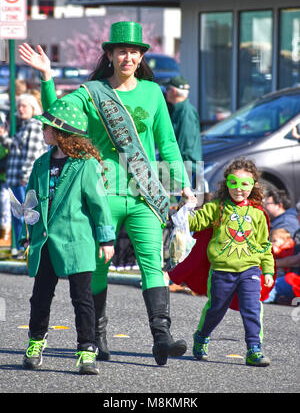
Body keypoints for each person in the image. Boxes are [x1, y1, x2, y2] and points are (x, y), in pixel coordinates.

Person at [19, 21, 196, 366]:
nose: (128, 57)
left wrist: (183, 183)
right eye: (121, 51)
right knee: (98, 265)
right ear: (110, 55)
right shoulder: (92, 92)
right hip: (101, 192)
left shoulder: (153, 93)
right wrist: (46, 77)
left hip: (144, 192)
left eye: (134, 51)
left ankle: (161, 338)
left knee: (152, 264)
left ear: (140, 56)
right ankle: (97, 336)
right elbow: (60, 117)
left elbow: (167, 144)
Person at [20, 99, 115, 375]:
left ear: (61, 131)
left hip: (77, 243)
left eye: (47, 127)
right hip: (46, 242)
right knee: (40, 296)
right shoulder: (41, 164)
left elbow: (100, 205)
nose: (43, 130)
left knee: (82, 298)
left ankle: (87, 349)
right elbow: (32, 201)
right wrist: (28, 227)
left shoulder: (85, 165)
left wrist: (107, 240)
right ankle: (36, 342)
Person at [178, 158, 275, 366]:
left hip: (250, 270)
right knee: (216, 309)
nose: (239, 189)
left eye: (245, 184)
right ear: (226, 183)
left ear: (253, 186)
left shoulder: (258, 214)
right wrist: (187, 207)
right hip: (221, 271)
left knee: (252, 309)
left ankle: (254, 349)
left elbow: (265, 246)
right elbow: (194, 222)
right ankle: (202, 336)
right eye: (234, 183)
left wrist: (267, 271)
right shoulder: (216, 208)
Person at [0, 93, 48, 254]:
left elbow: (32, 154)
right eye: (19, 106)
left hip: (23, 178)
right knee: (18, 212)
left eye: (24, 106)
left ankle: (25, 247)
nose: (20, 109)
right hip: (15, 177)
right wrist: (4, 136)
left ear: (33, 108)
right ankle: (21, 247)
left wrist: (25, 176)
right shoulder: (25, 125)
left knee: (25, 214)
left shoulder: (34, 125)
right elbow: (14, 147)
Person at [165, 75, 202, 181]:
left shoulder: (186, 112)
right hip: (179, 167)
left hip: (185, 169)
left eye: (167, 89)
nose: (166, 92)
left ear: (174, 91)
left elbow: (186, 145)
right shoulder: (176, 110)